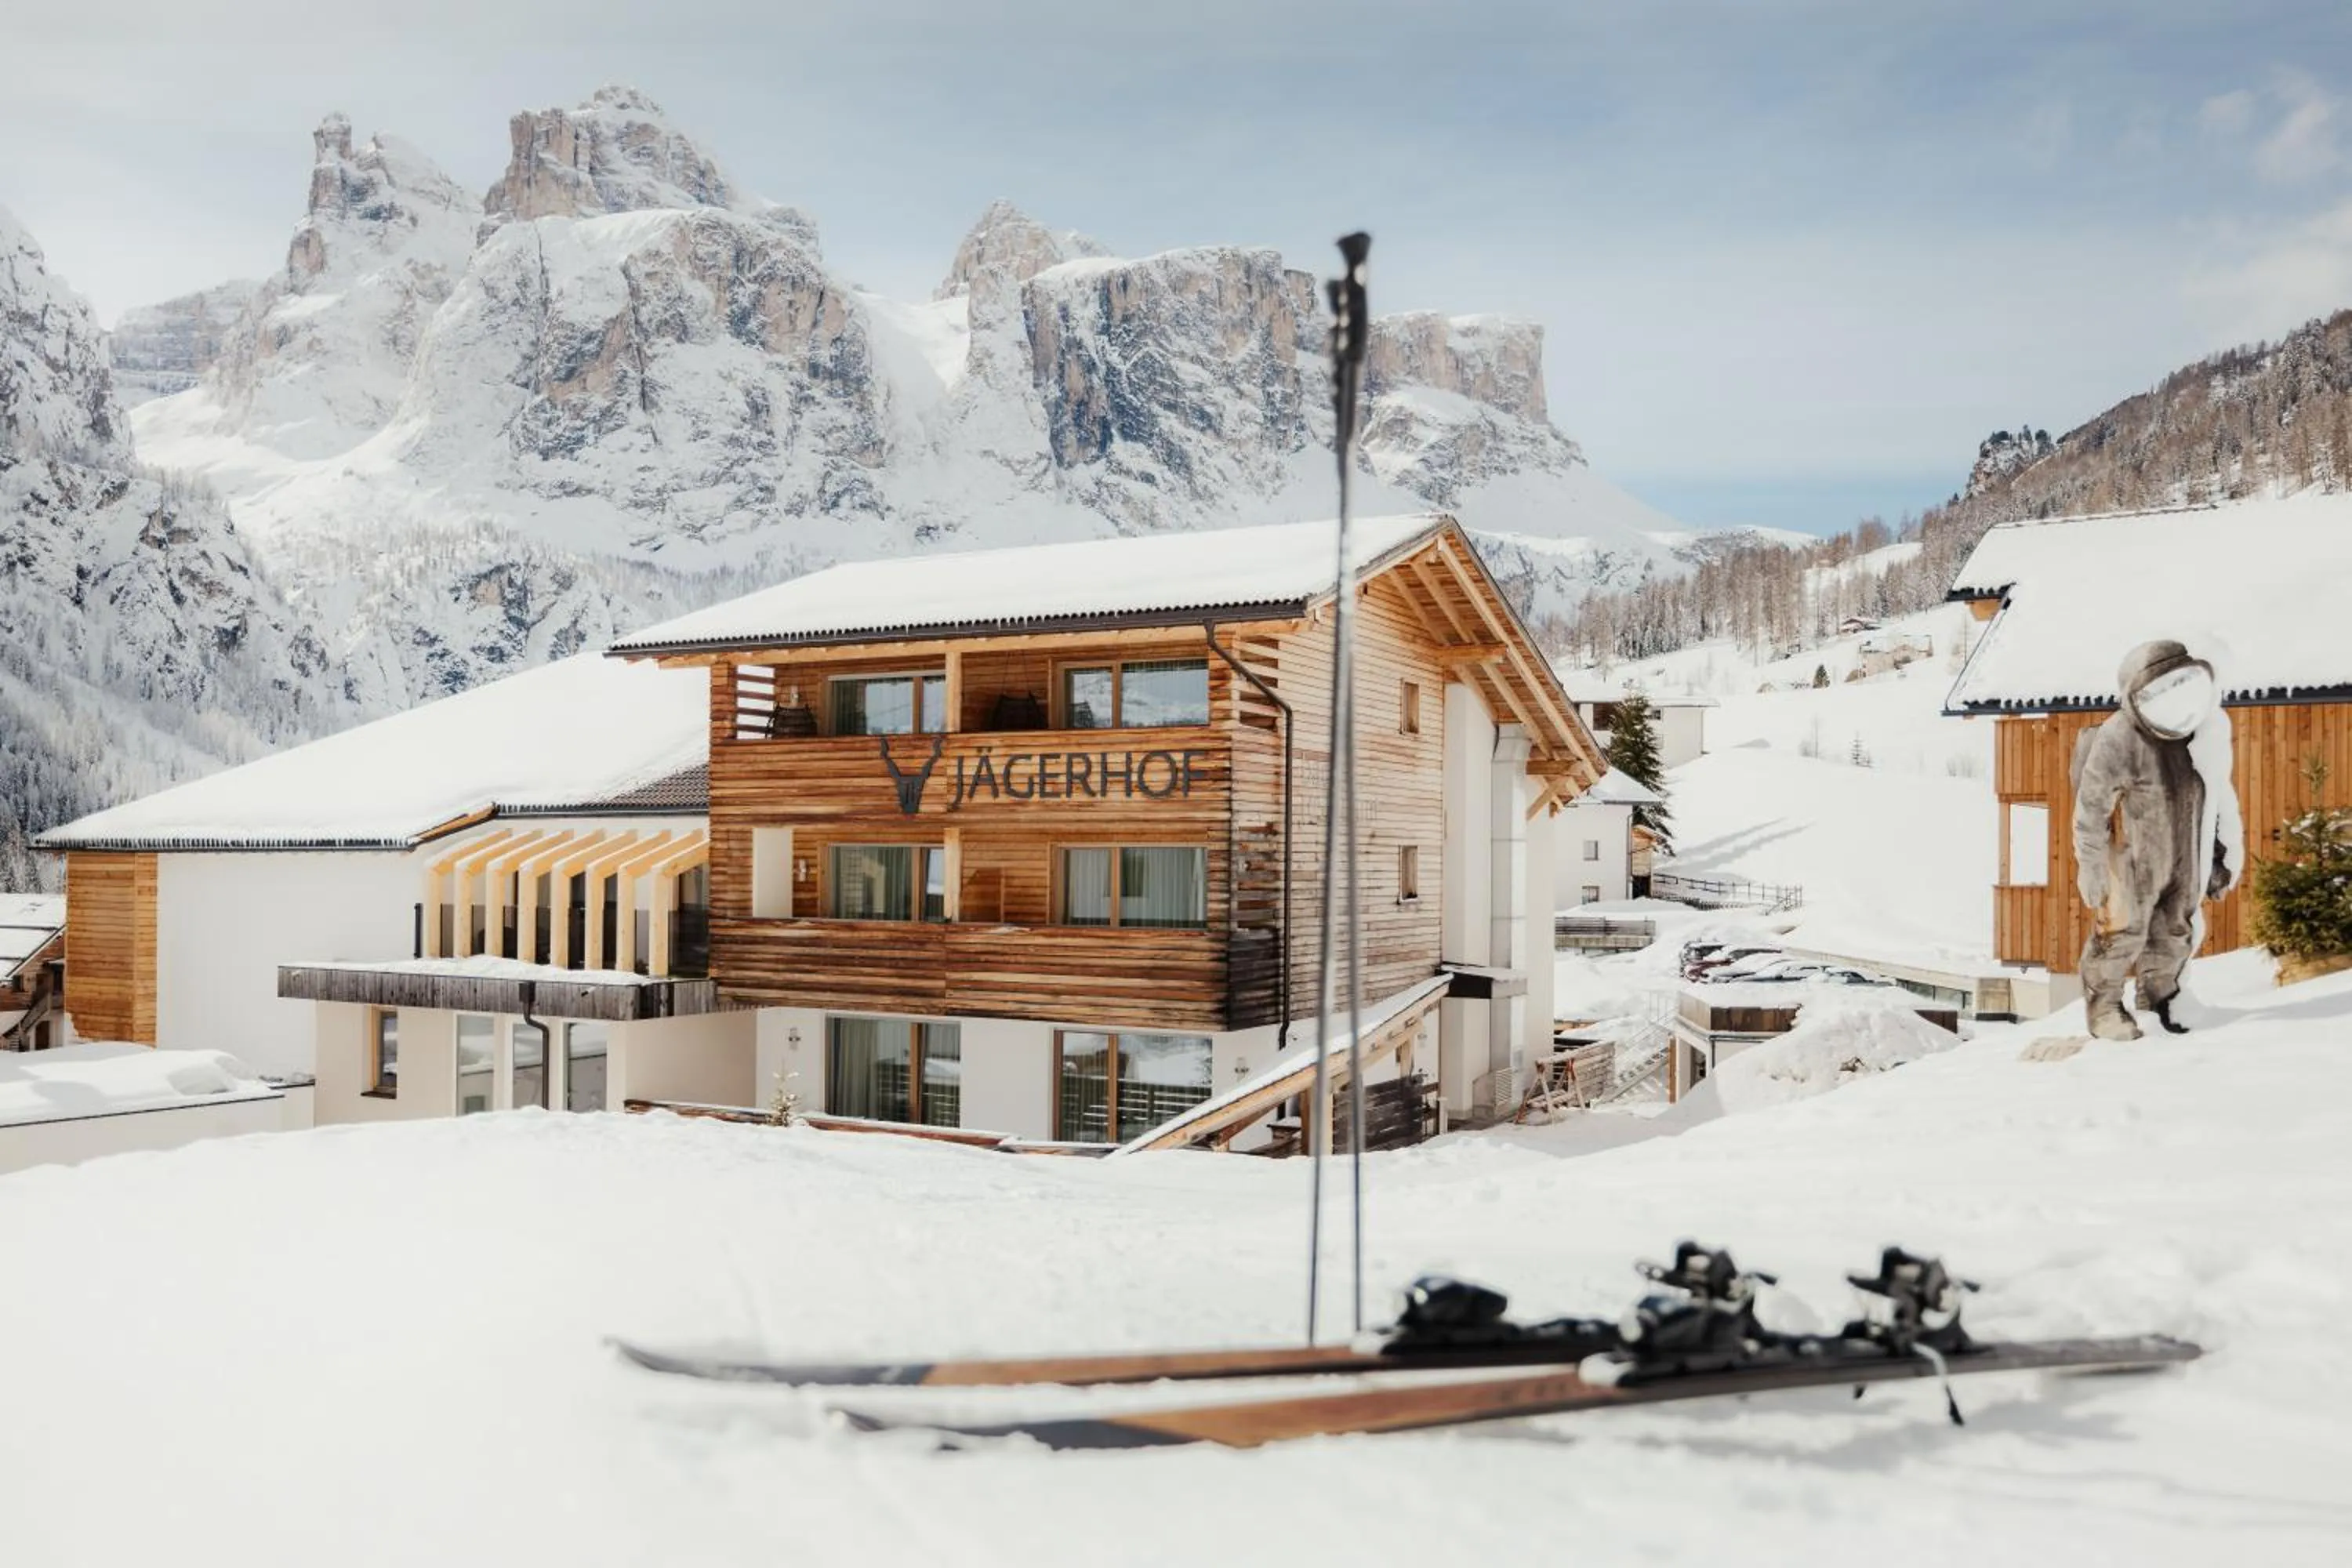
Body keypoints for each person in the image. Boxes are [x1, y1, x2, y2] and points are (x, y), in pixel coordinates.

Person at [2071, 640, 2244, 1040]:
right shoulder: (2120, 737)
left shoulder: (2199, 733)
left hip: (2185, 849)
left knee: (2174, 927)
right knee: (2121, 930)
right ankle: (2105, 1007)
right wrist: (2093, 865)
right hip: (2132, 854)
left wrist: (2218, 856)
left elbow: (2216, 796)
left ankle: (2160, 998)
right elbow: (2092, 808)